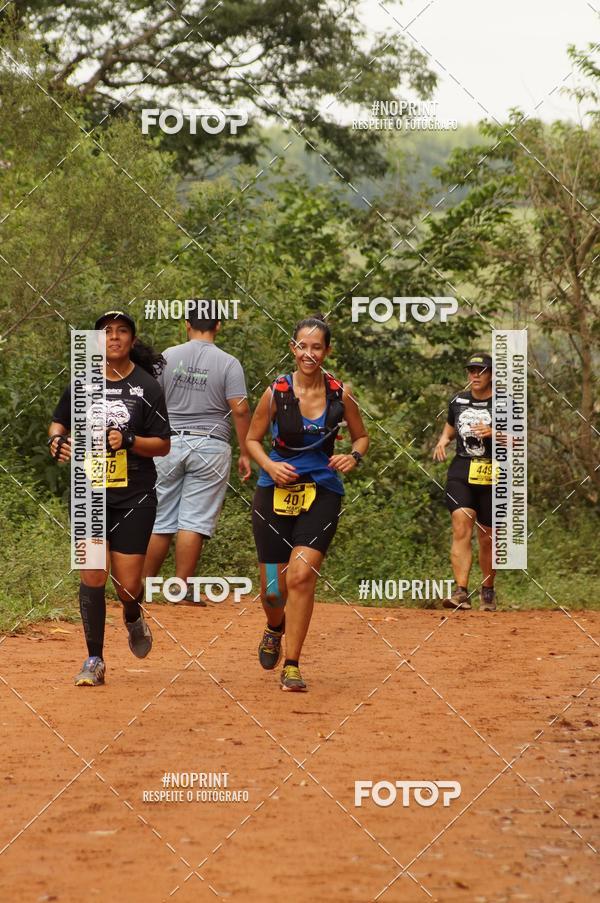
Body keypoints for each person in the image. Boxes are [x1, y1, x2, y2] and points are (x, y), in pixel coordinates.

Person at [246, 313, 369, 691]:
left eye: (317, 347)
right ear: (293, 348)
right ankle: (274, 626)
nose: (309, 353)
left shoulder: (339, 393)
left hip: (323, 491)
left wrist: (353, 456)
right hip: (274, 491)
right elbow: (252, 440)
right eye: (303, 346)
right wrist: (270, 465)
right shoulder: (276, 392)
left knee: (301, 576)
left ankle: (293, 664)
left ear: (327, 351)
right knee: (272, 591)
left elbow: (361, 438)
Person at [48, 311, 171, 686]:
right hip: (89, 491)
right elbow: (58, 423)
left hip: (134, 493)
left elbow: (163, 445)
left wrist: (129, 440)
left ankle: (132, 614)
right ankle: (94, 659)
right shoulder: (81, 383)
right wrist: (56, 443)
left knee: (127, 584)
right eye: (106, 332)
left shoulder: (147, 387)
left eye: (122, 332)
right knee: (93, 572)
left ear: (132, 341)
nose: (114, 337)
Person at [142, 308, 251, 604]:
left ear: (187, 324)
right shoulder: (229, 363)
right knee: (194, 521)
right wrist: (246, 450)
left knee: (159, 517)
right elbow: (239, 409)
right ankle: (180, 589)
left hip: (168, 444)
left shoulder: (168, 356)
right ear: (218, 325)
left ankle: (142, 588)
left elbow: (150, 397)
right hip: (211, 446)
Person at [432, 352, 497, 612]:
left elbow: (519, 438)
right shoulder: (458, 400)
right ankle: (461, 592)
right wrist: (442, 440)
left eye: (481, 371)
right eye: (471, 370)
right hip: (462, 469)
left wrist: (496, 433)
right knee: (461, 527)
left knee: (488, 537)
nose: (475, 375)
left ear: (491, 374)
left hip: (494, 473)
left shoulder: (504, 403)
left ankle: (488, 590)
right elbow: (450, 425)